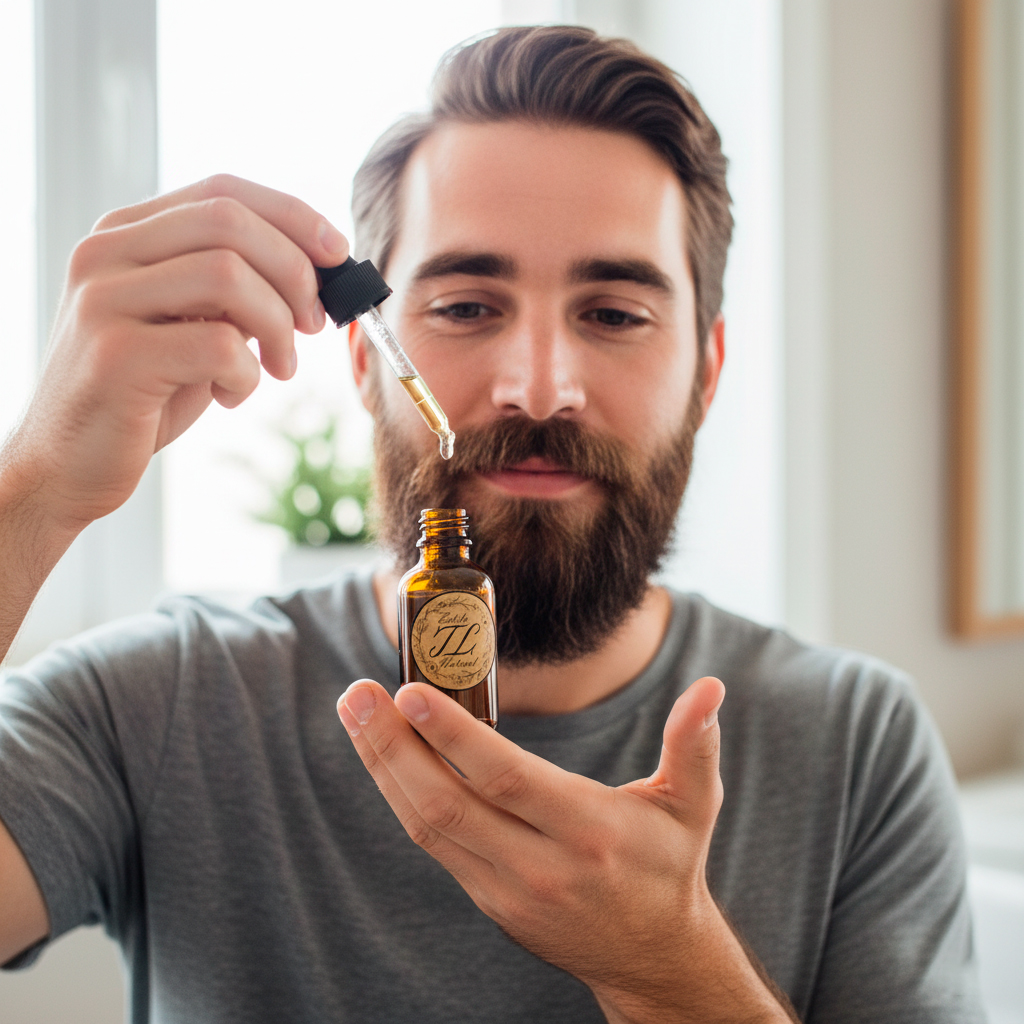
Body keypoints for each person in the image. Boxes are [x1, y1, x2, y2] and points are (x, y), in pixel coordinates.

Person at [0, 24, 983, 1024]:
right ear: (363, 361)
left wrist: (673, 973)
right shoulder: (163, 707)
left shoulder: (856, 741)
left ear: (707, 369)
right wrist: (35, 486)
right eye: (468, 306)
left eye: (612, 314)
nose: (540, 388)